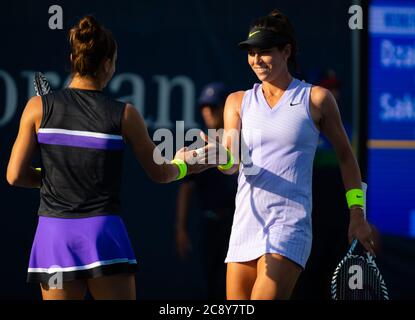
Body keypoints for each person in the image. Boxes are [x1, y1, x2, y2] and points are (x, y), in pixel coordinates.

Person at [6, 15, 213, 300]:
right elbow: (161, 173)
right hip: (102, 236)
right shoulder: (125, 113)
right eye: (114, 62)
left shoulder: (36, 107)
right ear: (106, 64)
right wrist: (184, 162)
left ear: (73, 58)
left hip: (54, 239)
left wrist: (54, 176)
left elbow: (15, 175)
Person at [213, 9, 376, 300]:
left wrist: (357, 214)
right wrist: (211, 155)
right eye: (251, 53)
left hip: (289, 227)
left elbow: (346, 157)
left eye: (265, 51)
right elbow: (231, 163)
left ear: (286, 51)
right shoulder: (236, 102)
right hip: (245, 226)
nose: (256, 60)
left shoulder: (316, 99)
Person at [175, 82, 237, 299]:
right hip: (210, 225)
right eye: (204, 106)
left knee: (235, 287)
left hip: (237, 226)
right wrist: (181, 227)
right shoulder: (197, 145)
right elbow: (186, 188)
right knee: (213, 284)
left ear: (225, 109)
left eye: (214, 106)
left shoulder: (241, 141)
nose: (208, 111)